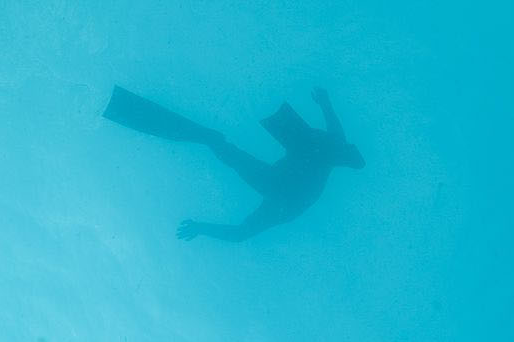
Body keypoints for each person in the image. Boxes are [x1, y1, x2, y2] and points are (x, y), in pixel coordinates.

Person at [103, 85, 360, 242]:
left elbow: (240, 234)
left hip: (284, 189)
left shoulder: (297, 190)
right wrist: (325, 102)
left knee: (216, 142)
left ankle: (207, 138)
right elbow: (240, 234)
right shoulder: (327, 150)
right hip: (286, 182)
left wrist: (201, 228)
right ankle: (210, 138)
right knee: (217, 143)